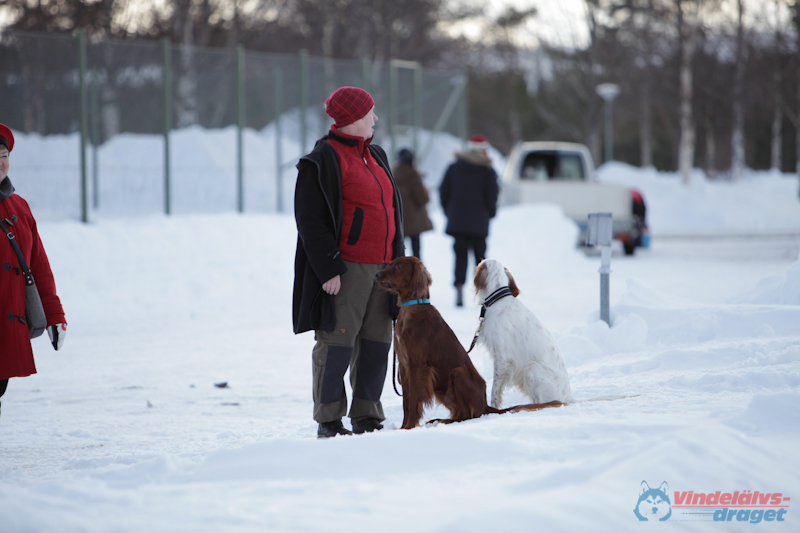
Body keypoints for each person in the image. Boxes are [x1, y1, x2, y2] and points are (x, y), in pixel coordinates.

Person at [292, 87, 404, 439]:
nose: (375, 118)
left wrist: (400, 267)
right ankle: (329, 419)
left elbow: (392, 214)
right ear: (354, 118)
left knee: (377, 342)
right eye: (370, 112)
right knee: (337, 342)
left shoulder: (378, 155)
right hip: (347, 268)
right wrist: (328, 269)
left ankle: (367, 415)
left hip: (385, 269)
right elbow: (310, 221)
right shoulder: (322, 159)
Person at [0, 123, 67, 418]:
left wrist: (54, 316)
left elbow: (38, 265)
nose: (0, 162)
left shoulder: (19, 207)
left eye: (3, 154)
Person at [439, 134, 499, 307]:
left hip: (458, 222)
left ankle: (459, 289)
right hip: (479, 223)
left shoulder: (454, 167)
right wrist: (490, 213)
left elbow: (443, 192)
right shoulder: (487, 171)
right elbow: (492, 197)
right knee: (480, 259)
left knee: (460, 256)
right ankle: (482, 292)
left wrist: (449, 212)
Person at [392, 148, 432, 260]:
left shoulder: (392, 174)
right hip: (414, 221)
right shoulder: (414, 176)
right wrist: (426, 191)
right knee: (416, 252)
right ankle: (417, 273)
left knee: (398, 250)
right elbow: (422, 199)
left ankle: (398, 272)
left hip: (398, 219)